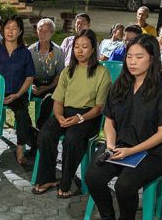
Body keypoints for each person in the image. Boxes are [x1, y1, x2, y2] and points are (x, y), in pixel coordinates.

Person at [85, 34, 162, 220]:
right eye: (129, 57)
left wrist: (131, 151)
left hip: (154, 152)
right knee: (93, 176)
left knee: (124, 185)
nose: (132, 62)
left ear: (152, 59)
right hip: (120, 145)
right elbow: (109, 120)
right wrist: (110, 145)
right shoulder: (120, 85)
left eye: (139, 57)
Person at [32, 29, 111, 198]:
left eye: (84, 46)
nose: (80, 50)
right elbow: (58, 100)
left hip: (88, 116)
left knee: (72, 140)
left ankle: (66, 181)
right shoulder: (67, 71)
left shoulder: (102, 73)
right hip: (66, 112)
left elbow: (99, 108)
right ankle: (47, 178)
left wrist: (79, 118)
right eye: (76, 46)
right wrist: (59, 116)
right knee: (45, 134)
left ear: (92, 50)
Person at [0, 16, 36, 165]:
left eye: (14, 28)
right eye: (7, 27)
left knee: (23, 115)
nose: (10, 31)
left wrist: (18, 94)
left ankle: (19, 149)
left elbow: (29, 77)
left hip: (17, 93)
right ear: (2, 30)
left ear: (20, 31)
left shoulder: (25, 53)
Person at [28, 18, 65, 130]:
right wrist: (30, 85)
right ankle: (27, 127)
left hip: (51, 85)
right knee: (21, 98)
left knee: (49, 99)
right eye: (40, 30)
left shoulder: (59, 51)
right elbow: (26, 73)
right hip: (33, 84)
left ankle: (39, 128)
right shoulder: (30, 50)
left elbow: (59, 76)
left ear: (52, 33)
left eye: (46, 31)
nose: (42, 34)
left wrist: (46, 88)